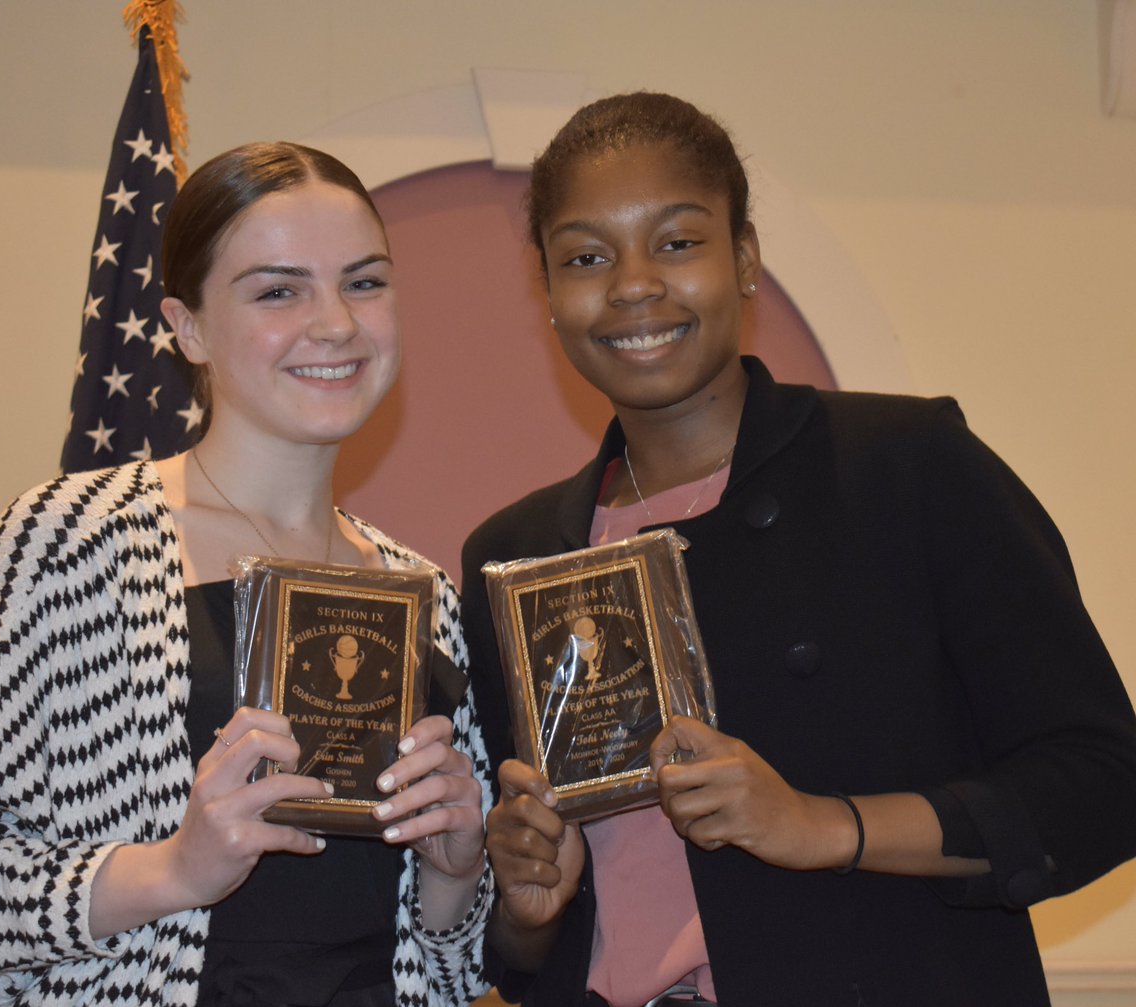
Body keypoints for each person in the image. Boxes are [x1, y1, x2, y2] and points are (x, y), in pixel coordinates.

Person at [460, 92, 1136, 1007]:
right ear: (548, 294)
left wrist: (827, 826)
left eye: (677, 241)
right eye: (585, 258)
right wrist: (530, 906)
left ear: (744, 258)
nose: (631, 285)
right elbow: (524, 944)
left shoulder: (906, 469)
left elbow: (1100, 781)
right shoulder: (517, 554)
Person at [0, 142, 492, 1006]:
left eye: (365, 281)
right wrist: (173, 867)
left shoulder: (424, 596)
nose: (337, 322)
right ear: (186, 325)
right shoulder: (72, 543)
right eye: (279, 290)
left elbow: (455, 965)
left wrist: (455, 871)